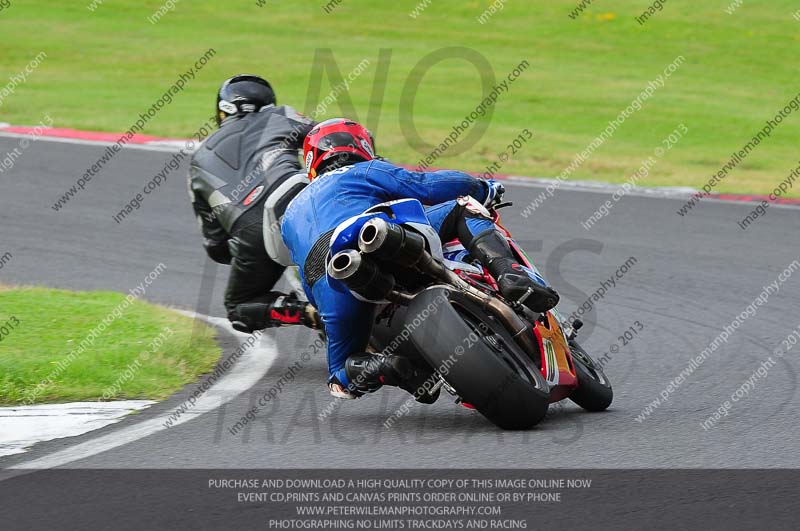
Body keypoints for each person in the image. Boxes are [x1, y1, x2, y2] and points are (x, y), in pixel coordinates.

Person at [281, 118, 560, 399]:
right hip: (376, 232)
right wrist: (482, 188)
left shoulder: (290, 215)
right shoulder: (363, 169)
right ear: (361, 145)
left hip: (332, 280)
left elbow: (307, 280)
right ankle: (510, 273)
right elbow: (425, 185)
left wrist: (331, 310)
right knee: (462, 208)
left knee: (340, 378)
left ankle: (392, 367)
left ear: (311, 162)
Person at [188, 74, 319, 333]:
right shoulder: (283, 115)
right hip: (302, 198)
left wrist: (254, 254)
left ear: (223, 111)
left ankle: (307, 313)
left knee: (239, 307)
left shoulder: (199, 158)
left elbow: (217, 247)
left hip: (252, 231)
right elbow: (331, 137)